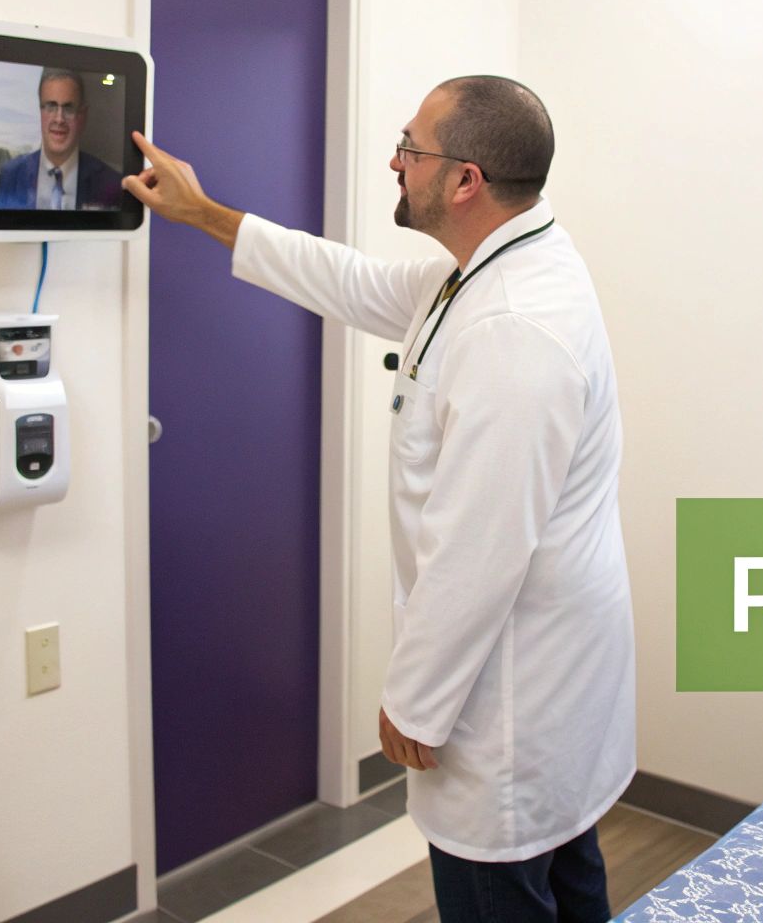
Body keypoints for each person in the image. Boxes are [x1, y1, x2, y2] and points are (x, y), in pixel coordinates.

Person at [124, 77, 635, 923]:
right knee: (567, 875)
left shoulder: (514, 328)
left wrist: (417, 703)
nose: (395, 162)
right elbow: (354, 282)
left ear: (465, 180)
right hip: (544, 677)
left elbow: (479, 551)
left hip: (512, 691)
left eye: (411, 148)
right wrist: (204, 213)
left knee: (503, 887)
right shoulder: (491, 271)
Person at [0, 67, 125, 210]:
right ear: (40, 112)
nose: (59, 119)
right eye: (51, 106)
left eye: (68, 108)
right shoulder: (11, 174)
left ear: (82, 116)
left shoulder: (111, 184)